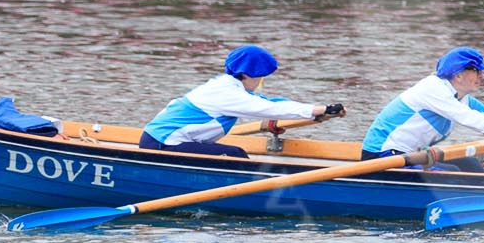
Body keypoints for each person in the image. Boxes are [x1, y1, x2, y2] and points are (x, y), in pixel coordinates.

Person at [361, 48, 484, 170]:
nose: (482, 76)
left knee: (470, 163)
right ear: (458, 75)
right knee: (452, 173)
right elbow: (470, 119)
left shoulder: (461, 98)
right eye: (477, 71)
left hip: (410, 155)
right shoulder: (432, 89)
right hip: (382, 157)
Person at [140, 45, 344, 158]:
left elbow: (270, 101)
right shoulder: (227, 95)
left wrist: (320, 113)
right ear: (246, 74)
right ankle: (258, 195)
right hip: (162, 144)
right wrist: (319, 109)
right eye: (260, 77)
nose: (260, 82)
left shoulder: (226, 85)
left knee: (229, 153)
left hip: (161, 139)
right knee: (234, 154)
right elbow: (268, 108)